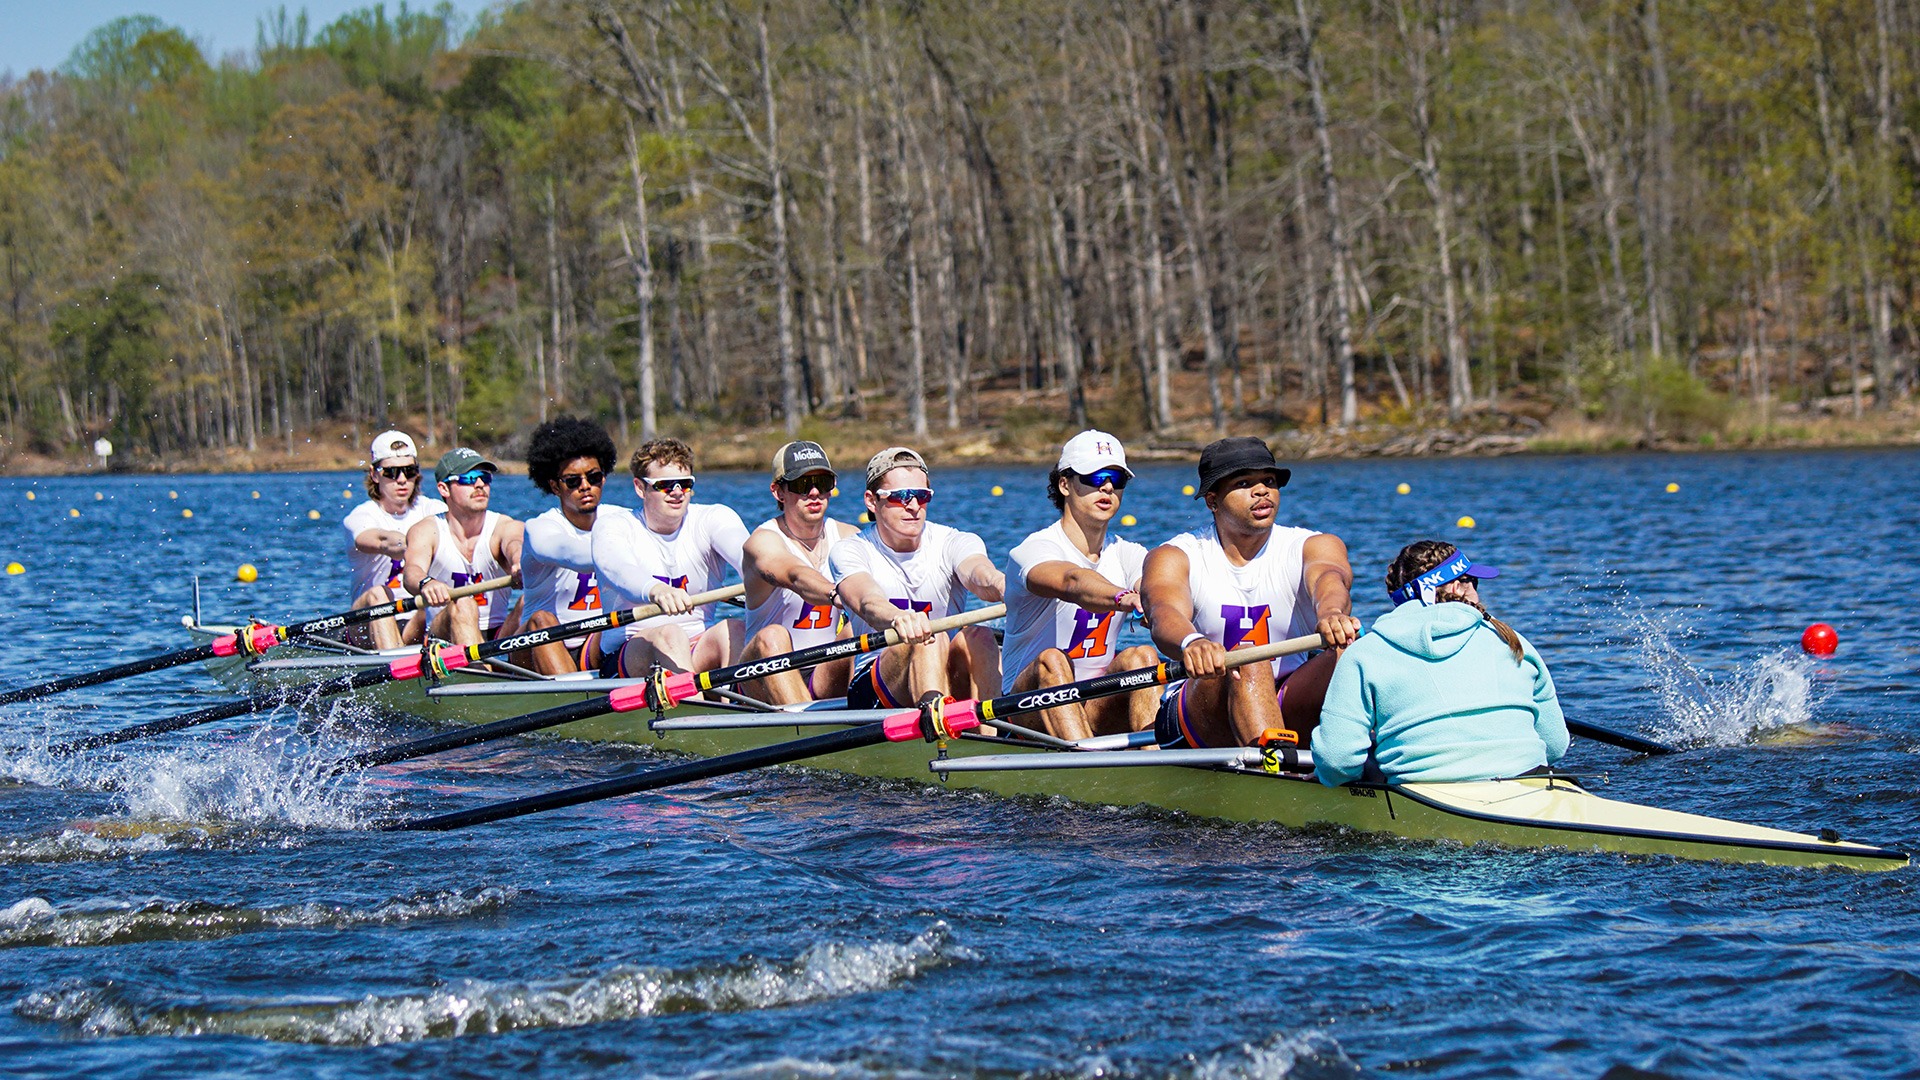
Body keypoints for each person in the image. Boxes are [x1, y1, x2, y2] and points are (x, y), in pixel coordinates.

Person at [1141, 436, 1363, 750]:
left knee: (1348, 653)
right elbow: (1163, 611)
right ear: (1212, 501)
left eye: (1269, 482)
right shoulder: (1175, 556)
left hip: (1286, 697)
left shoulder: (1315, 545)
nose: (1261, 491)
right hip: (1202, 707)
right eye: (1244, 483)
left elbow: (1330, 579)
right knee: (1250, 656)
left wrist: (1332, 614)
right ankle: (1279, 779)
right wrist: (1192, 642)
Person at [1314, 541, 1568, 786]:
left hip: (1421, 794)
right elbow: (1554, 744)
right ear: (1457, 587)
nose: (1477, 591)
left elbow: (1337, 762)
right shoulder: (1512, 640)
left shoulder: (1364, 653)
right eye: (1473, 582)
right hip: (1527, 780)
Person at [1000, 431, 1158, 740]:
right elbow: (1072, 582)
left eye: (1117, 477)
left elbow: (1154, 585)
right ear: (1064, 484)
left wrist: (1156, 603)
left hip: (1093, 702)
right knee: (1053, 659)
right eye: (1095, 476)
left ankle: (1153, 761)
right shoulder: (1032, 551)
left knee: (1142, 657)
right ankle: (1087, 762)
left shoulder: (1129, 554)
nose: (1107, 486)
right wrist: (1123, 597)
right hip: (1025, 710)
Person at [831, 446, 1005, 710]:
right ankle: (935, 729)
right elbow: (867, 600)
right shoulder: (850, 549)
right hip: (876, 687)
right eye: (900, 496)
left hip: (947, 669)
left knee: (979, 636)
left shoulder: (954, 541)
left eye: (922, 496)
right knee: (926, 639)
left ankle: (993, 731)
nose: (913, 506)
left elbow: (979, 573)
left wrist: (1004, 586)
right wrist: (898, 618)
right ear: (871, 501)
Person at [592, 437, 749, 677]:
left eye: (684, 484)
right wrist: (657, 590)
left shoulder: (713, 518)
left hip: (697, 645)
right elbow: (620, 570)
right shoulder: (613, 526)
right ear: (639, 487)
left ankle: (739, 706)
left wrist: (762, 576)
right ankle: (697, 711)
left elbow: (748, 558)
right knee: (670, 634)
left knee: (735, 629)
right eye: (665, 485)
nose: (677, 492)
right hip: (630, 650)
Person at [738, 441, 860, 704]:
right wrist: (839, 593)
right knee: (773, 636)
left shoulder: (851, 537)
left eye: (823, 482)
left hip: (822, 672)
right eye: (802, 485)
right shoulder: (762, 542)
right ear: (778, 492)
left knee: (855, 631)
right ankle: (807, 730)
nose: (815, 492)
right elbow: (794, 574)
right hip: (762, 674)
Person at [515, 417, 627, 674]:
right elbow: (576, 556)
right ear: (555, 486)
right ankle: (573, 698)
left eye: (594, 476)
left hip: (593, 644)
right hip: (536, 646)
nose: (585, 486)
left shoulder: (623, 519)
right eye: (573, 481)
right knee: (541, 619)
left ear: (604, 478)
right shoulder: (540, 530)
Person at [400, 447, 523, 646]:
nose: (480, 484)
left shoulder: (505, 526)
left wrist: (519, 562)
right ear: (444, 489)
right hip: (444, 636)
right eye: (469, 478)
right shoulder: (426, 530)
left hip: (499, 635)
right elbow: (411, 572)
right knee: (464, 603)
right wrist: (426, 583)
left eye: (485, 477)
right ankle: (483, 673)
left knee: (530, 604)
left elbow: (515, 544)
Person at [342, 430, 446, 649]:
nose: (401, 480)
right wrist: (413, 545)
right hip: (368, 622)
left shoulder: (434, 509)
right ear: (375, 474)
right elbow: (378, 540)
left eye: (409, 471)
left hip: (415, 621)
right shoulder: (362, 516)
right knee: (380, 594)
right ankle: (394, 670)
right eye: (391, 472)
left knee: (432, 599)